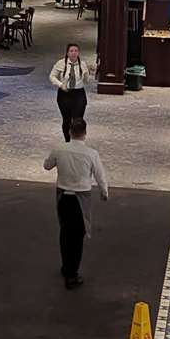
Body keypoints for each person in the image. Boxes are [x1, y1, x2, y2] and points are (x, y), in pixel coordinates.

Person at [44, 118, 107, 289]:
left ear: (70, 132)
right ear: (85, 133)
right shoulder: (91, 154)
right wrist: (104, 192)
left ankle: (66, 267)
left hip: (63, 196)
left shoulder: (59, 149)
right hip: (82, 198)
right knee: (78, 236)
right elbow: (100, 175)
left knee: (65, 233)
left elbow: (46, 166)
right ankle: (73, 275)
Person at [48, 42, 91, 141]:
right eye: (71, 51)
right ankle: (67, 141)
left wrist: (86, 75)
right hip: (65, 94)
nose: (74, 53)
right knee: (67, 120)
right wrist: (60, 85)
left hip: (78, 93)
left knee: (78, 120)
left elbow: (87, 80)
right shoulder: (61, 63)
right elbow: (52, 76)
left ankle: (77, 140)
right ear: (67, 53)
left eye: (76, 51)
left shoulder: (82, 64)